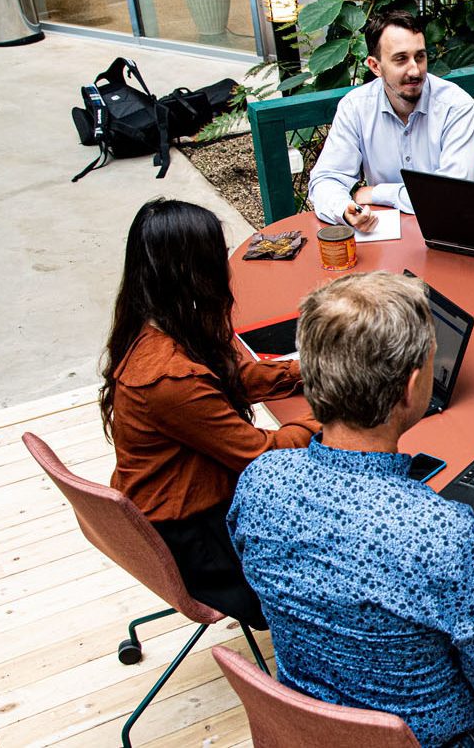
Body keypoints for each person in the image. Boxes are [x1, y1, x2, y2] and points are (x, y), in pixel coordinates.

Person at [228, 272, 474, 748]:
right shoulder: (442, 532)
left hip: (311, 723)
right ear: (410, 387)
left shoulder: (260, 481)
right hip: (449, 741)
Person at [101, 199, 319, 628]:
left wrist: (306, 370)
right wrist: (330, 418)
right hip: (197, 540)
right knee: (340, 558)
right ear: (193, 273)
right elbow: (260, 453)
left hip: (195, 504)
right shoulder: (168, 377)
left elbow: (228, 380)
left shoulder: (159, 326)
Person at [307, 9, 474, 231]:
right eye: (401, 59)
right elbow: (326, 180)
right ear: (375, 66)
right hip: (384, 240)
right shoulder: (355, 107)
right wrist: (345, 209)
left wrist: (378, 193)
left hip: (449, 234)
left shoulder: (456, 106)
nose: (415, 70)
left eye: (420, 56)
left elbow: (453, 195)